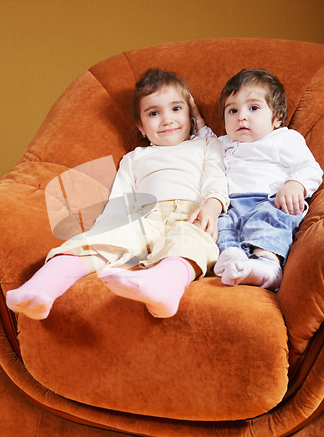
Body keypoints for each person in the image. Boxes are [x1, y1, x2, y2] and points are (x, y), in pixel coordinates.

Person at [6, 68, 229, 320]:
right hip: (144, 218)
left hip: (191, 213)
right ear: (140, 126)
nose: (167, 119)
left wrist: (213, 204)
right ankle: (44, 287)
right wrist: (108, 231)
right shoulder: (135, 157)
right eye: (154, 113)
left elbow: (216, 176)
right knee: (103, 239)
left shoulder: (208, 144)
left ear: (190, 115)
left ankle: (164, 286)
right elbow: (120, 201)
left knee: (194, 239)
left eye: (176, 109)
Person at [190, 68, 323, 291]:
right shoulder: (223, 143)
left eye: (253, 108)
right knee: (220, 224)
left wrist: (295, 184)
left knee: (271, 219)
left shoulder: (284, 138)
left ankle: (268, 264)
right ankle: (234, 259)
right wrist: (197, 120)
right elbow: (205, 142)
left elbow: (310, 168)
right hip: (230, 205)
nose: (241, 116)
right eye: (232, 110)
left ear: (278, 117)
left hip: (270, 200)